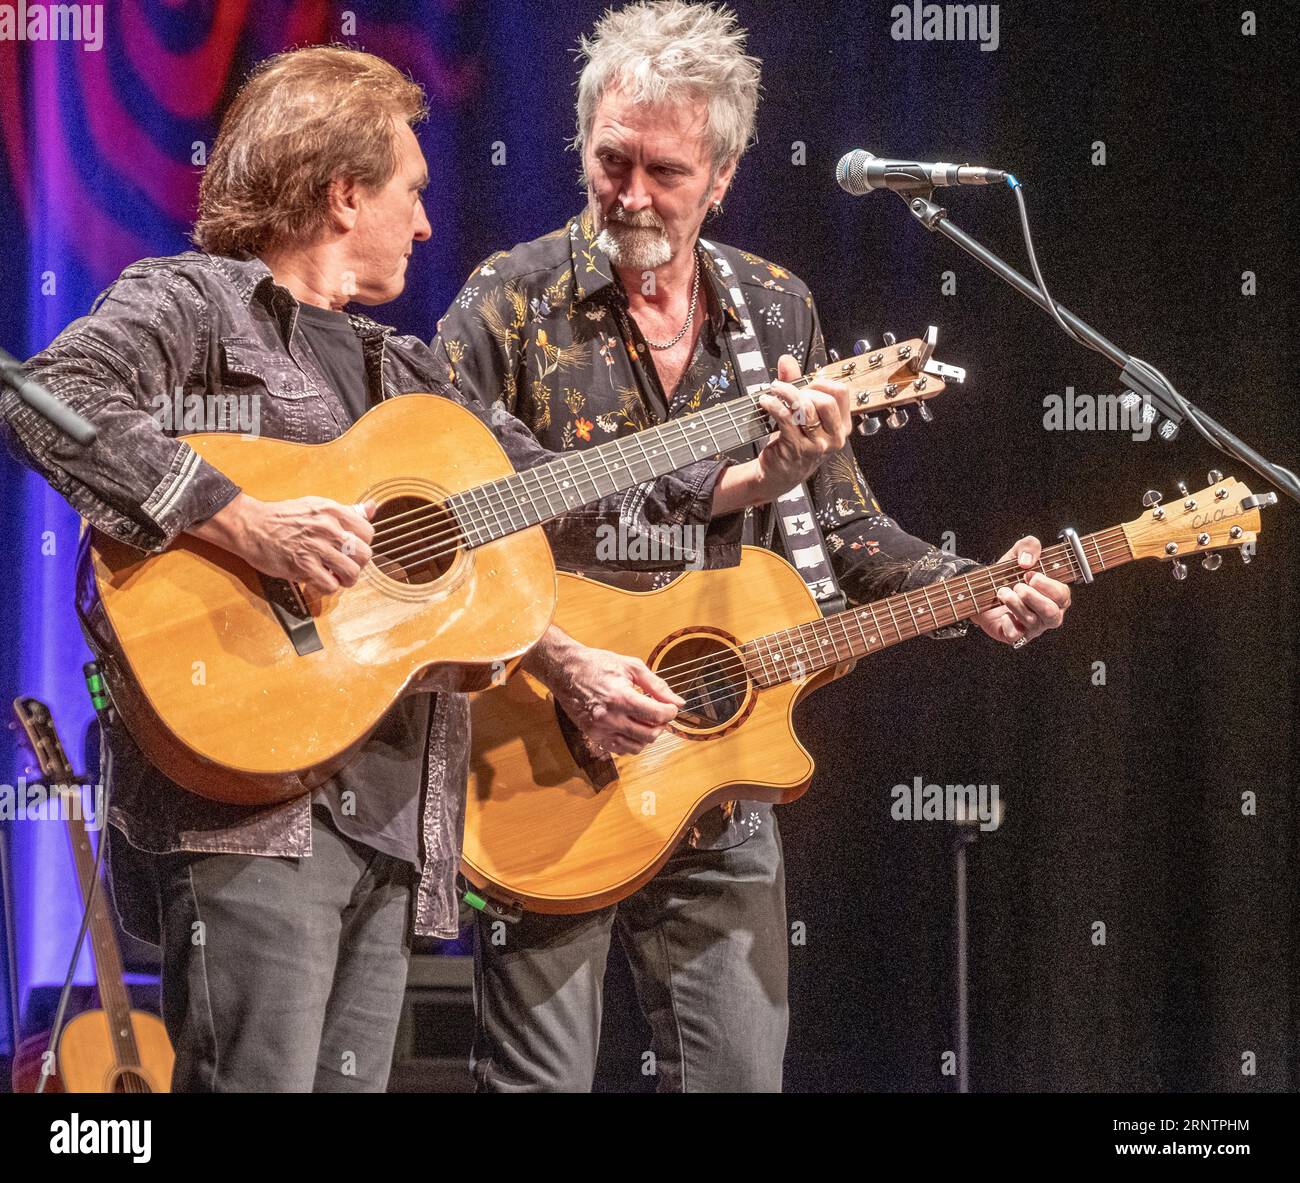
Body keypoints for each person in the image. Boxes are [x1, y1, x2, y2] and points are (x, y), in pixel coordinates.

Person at [0, 44, 833, 1092]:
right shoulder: (193, 304)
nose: (428, 223)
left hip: (395, 820)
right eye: (411, 192)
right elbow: (46, 396)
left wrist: (759, 462)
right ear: (345, 194)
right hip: (255, 804)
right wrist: (240, 519)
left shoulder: (407, 370)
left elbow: (558, 496)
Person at [431, 0, 1072, 1092]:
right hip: (538, 751)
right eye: (610, 161)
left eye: (665, 173)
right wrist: (564, 664)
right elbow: (440, 531)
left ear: (722, 176)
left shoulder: (776, 310)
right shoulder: (507, 298)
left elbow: (846, 524)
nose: (631, 196)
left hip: (712, 778)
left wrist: (976, 586)